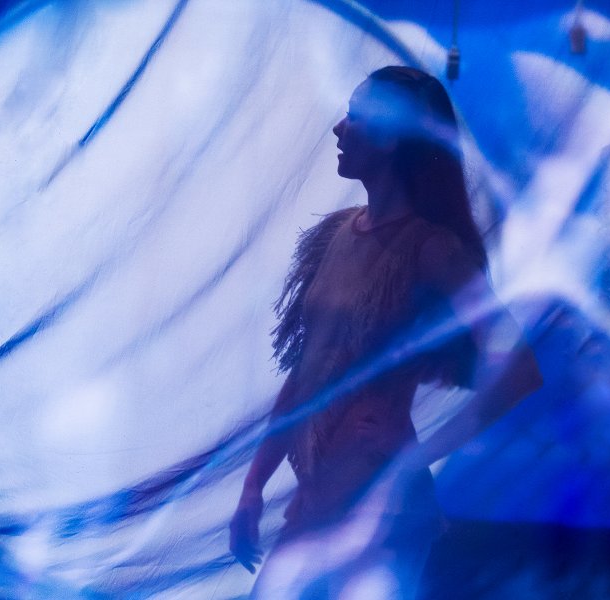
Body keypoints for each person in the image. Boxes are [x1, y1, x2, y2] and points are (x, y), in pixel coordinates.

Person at [229, 65, 543, 599]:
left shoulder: (433, 250)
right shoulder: (336, 235)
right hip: (318, 498)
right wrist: (253, 485)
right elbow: (305, 374)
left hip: (383, 510)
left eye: (354, 116)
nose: (338, 128)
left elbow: (519, 370)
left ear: (391, 135)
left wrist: (420, 454)